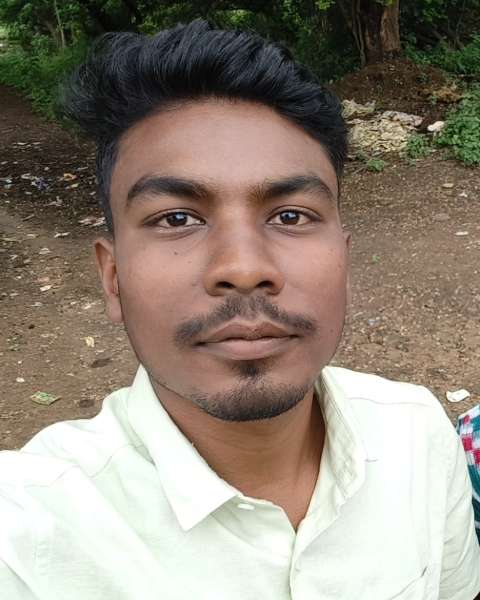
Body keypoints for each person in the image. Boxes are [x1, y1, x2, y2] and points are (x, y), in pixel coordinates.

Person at [0, 19, 478, 600]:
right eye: (177, 218)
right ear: (113, 276)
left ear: (344, 259)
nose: (245, 267)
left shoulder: (419, 437)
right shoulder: (27, 533)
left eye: (291, 215)